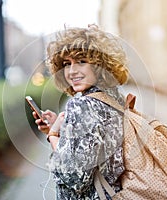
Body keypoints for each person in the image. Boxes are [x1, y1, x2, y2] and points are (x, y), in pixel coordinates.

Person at [33, 25, 129, 199]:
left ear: (99, 64)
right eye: (66, 64)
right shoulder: (115, 98)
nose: (72, 71)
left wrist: (53, 135)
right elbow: (93, 145)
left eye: (81, 61)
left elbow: (75, 178)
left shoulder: (81, 105)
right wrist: (65, 129)